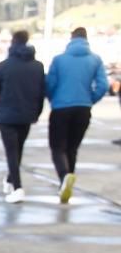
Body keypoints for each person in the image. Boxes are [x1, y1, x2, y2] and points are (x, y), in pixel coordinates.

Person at [0, 30, 45, 203]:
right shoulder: (38, 66)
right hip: (27, 116)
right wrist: (37, 113)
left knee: (12, 152)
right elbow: (41, 93)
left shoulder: (4, 66)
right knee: (18, 150)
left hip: (7, 117)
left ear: (12, 43)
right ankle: (11, 179)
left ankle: (18, 188)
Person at [45, 26, 108, 203]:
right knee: (72, 148)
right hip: (83, 109)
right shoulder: (95, 60)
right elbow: (103, 85)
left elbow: (50, 84)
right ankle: (67, 183)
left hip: (61, 108)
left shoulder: (59, 60)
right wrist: (90, 99)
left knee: (58, 147)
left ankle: (64, 177)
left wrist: (53, 99)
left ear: (71, 39)